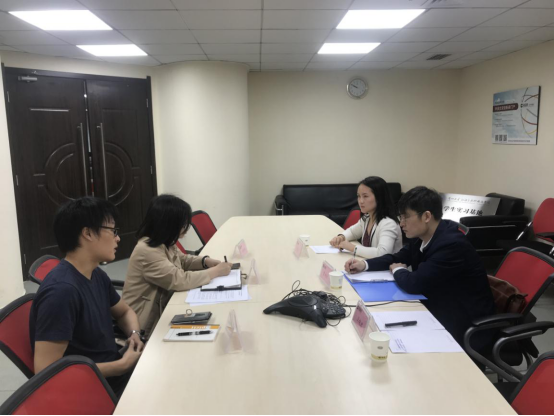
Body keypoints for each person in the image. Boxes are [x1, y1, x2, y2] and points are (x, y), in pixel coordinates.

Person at [345, 186, 496, 350]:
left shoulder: (451, 244)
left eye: (406, 217)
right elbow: (397, 257)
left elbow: (414, 283)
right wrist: (364, 265)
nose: (401, 223)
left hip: (463, 322)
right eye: (400, 217)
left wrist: (398, 270)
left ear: (426, 216)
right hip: (437, 305)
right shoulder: (424, 235)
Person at [30, 197, 144, 398]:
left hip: (112, 371)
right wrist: (120, 366)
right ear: (88, 233)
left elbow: (124, 311)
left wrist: (134, 333)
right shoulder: (62, 292)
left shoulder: (95, 273)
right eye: (112, 231)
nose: (117, 238)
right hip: (91, 389)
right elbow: (46, 372)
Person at [123, 195, 232, 339]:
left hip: (163, 306)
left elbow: (182, 260)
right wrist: (215, 272)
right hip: (144, 325)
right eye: (182, 223)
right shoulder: (147, 250)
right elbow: (179, 280)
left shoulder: (163, 241)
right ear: (169, 223)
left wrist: (205, 261)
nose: (185, 227)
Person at [330, 176, 402, 259]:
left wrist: (352, 248)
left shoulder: (388, 223)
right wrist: (340, 237)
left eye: (365, 196)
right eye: (359, 196)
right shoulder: (367, 217)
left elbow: (383, 253)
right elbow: (353, 232)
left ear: (379, 197)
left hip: (388, 266)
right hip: (370, 263)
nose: (360, 201)